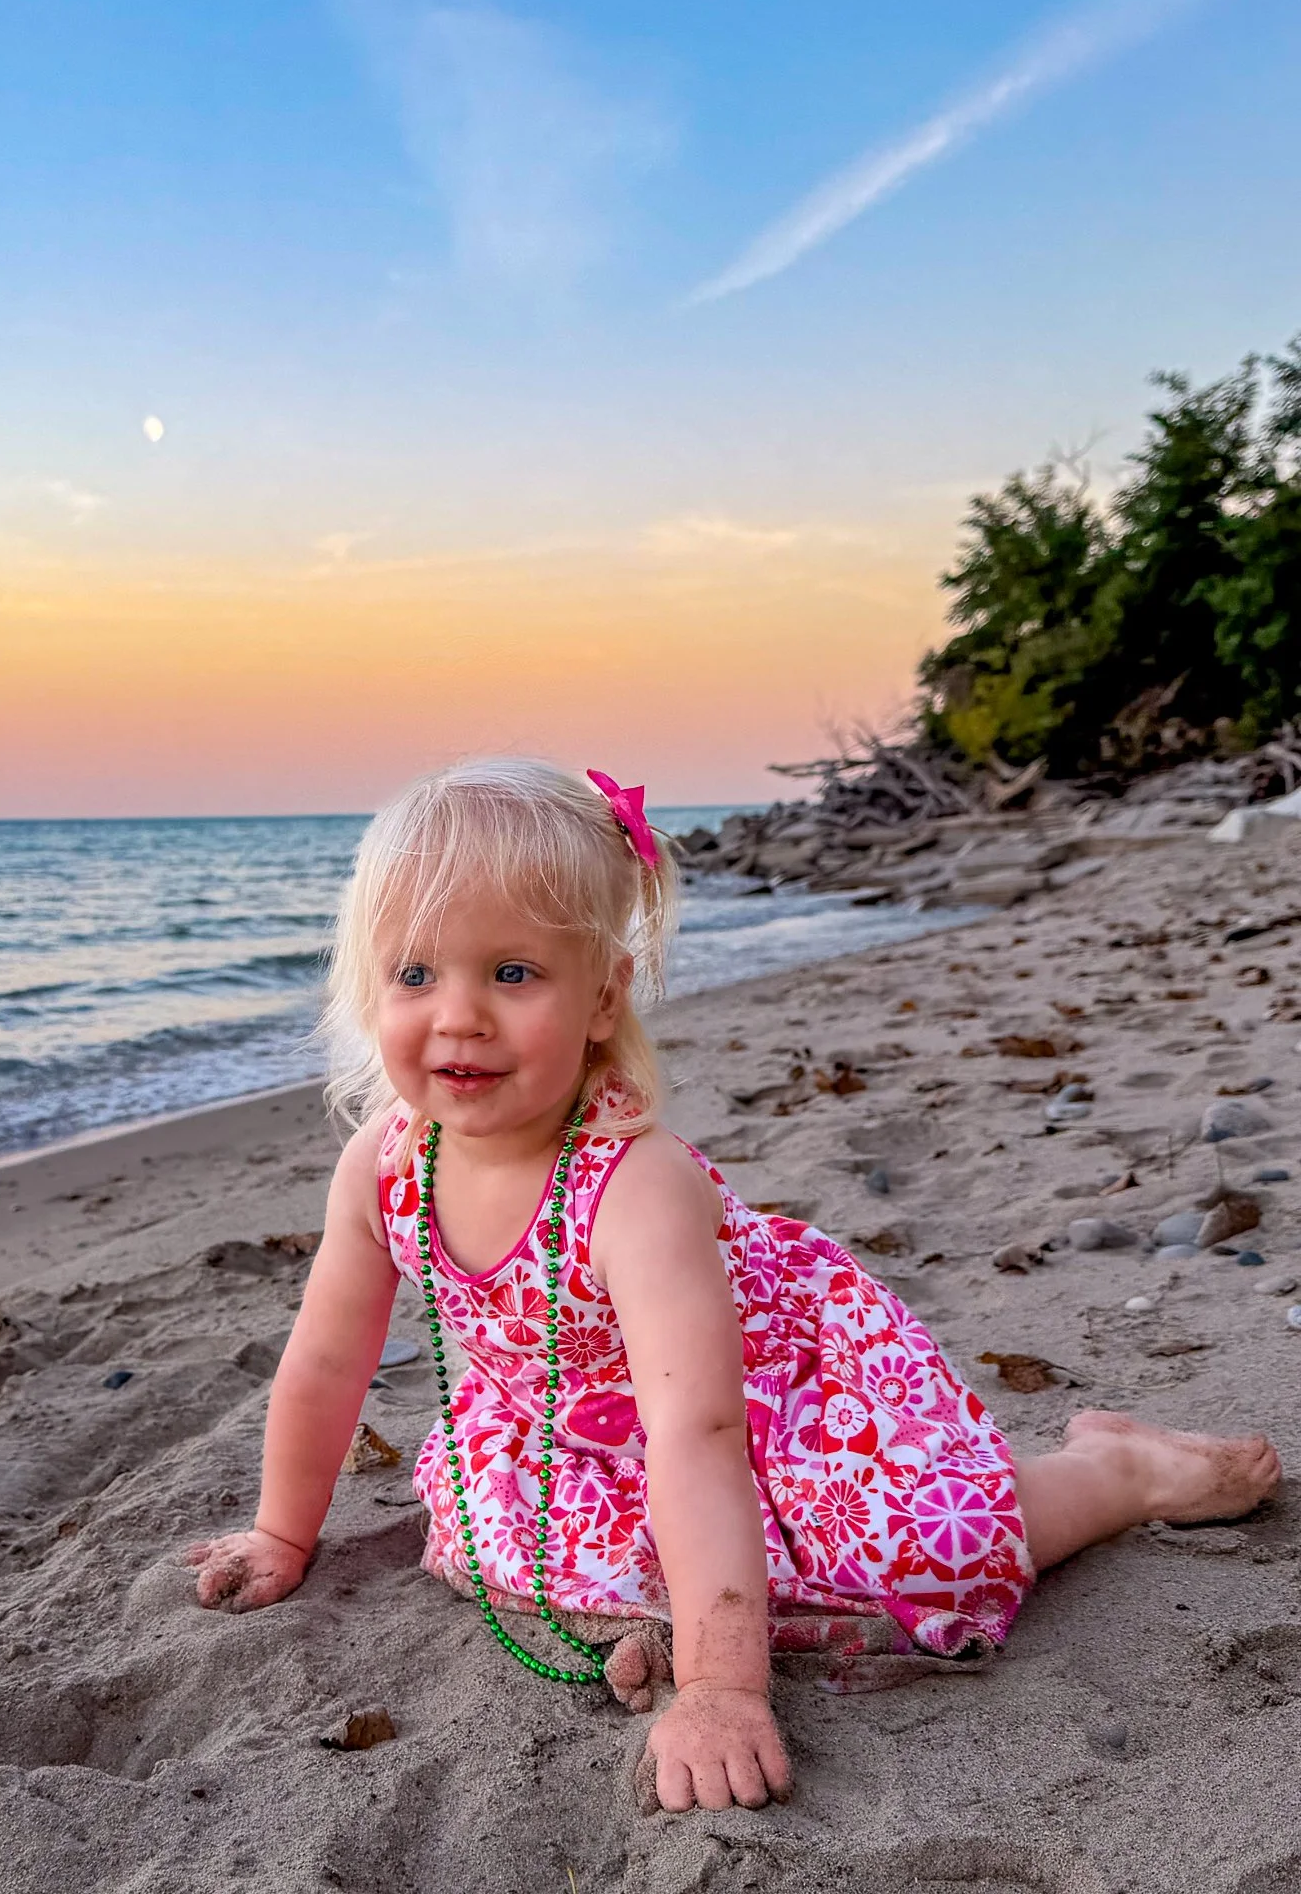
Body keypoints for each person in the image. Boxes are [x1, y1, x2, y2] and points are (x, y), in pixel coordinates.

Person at [183, 757, 1282, 1814]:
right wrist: (284, 1531)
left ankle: (1111, 1470)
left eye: (512, 973)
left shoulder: (634, 1189)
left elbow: (699, 1434)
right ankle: (694, 1610)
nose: (458, 1014)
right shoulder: (384, 1162)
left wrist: (722, 1689)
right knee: (500, 1547)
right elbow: (326, 1362)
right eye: (416, 973)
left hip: (764, 1400)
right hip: (577, 1420)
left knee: (924, 1547)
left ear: (604, 996)